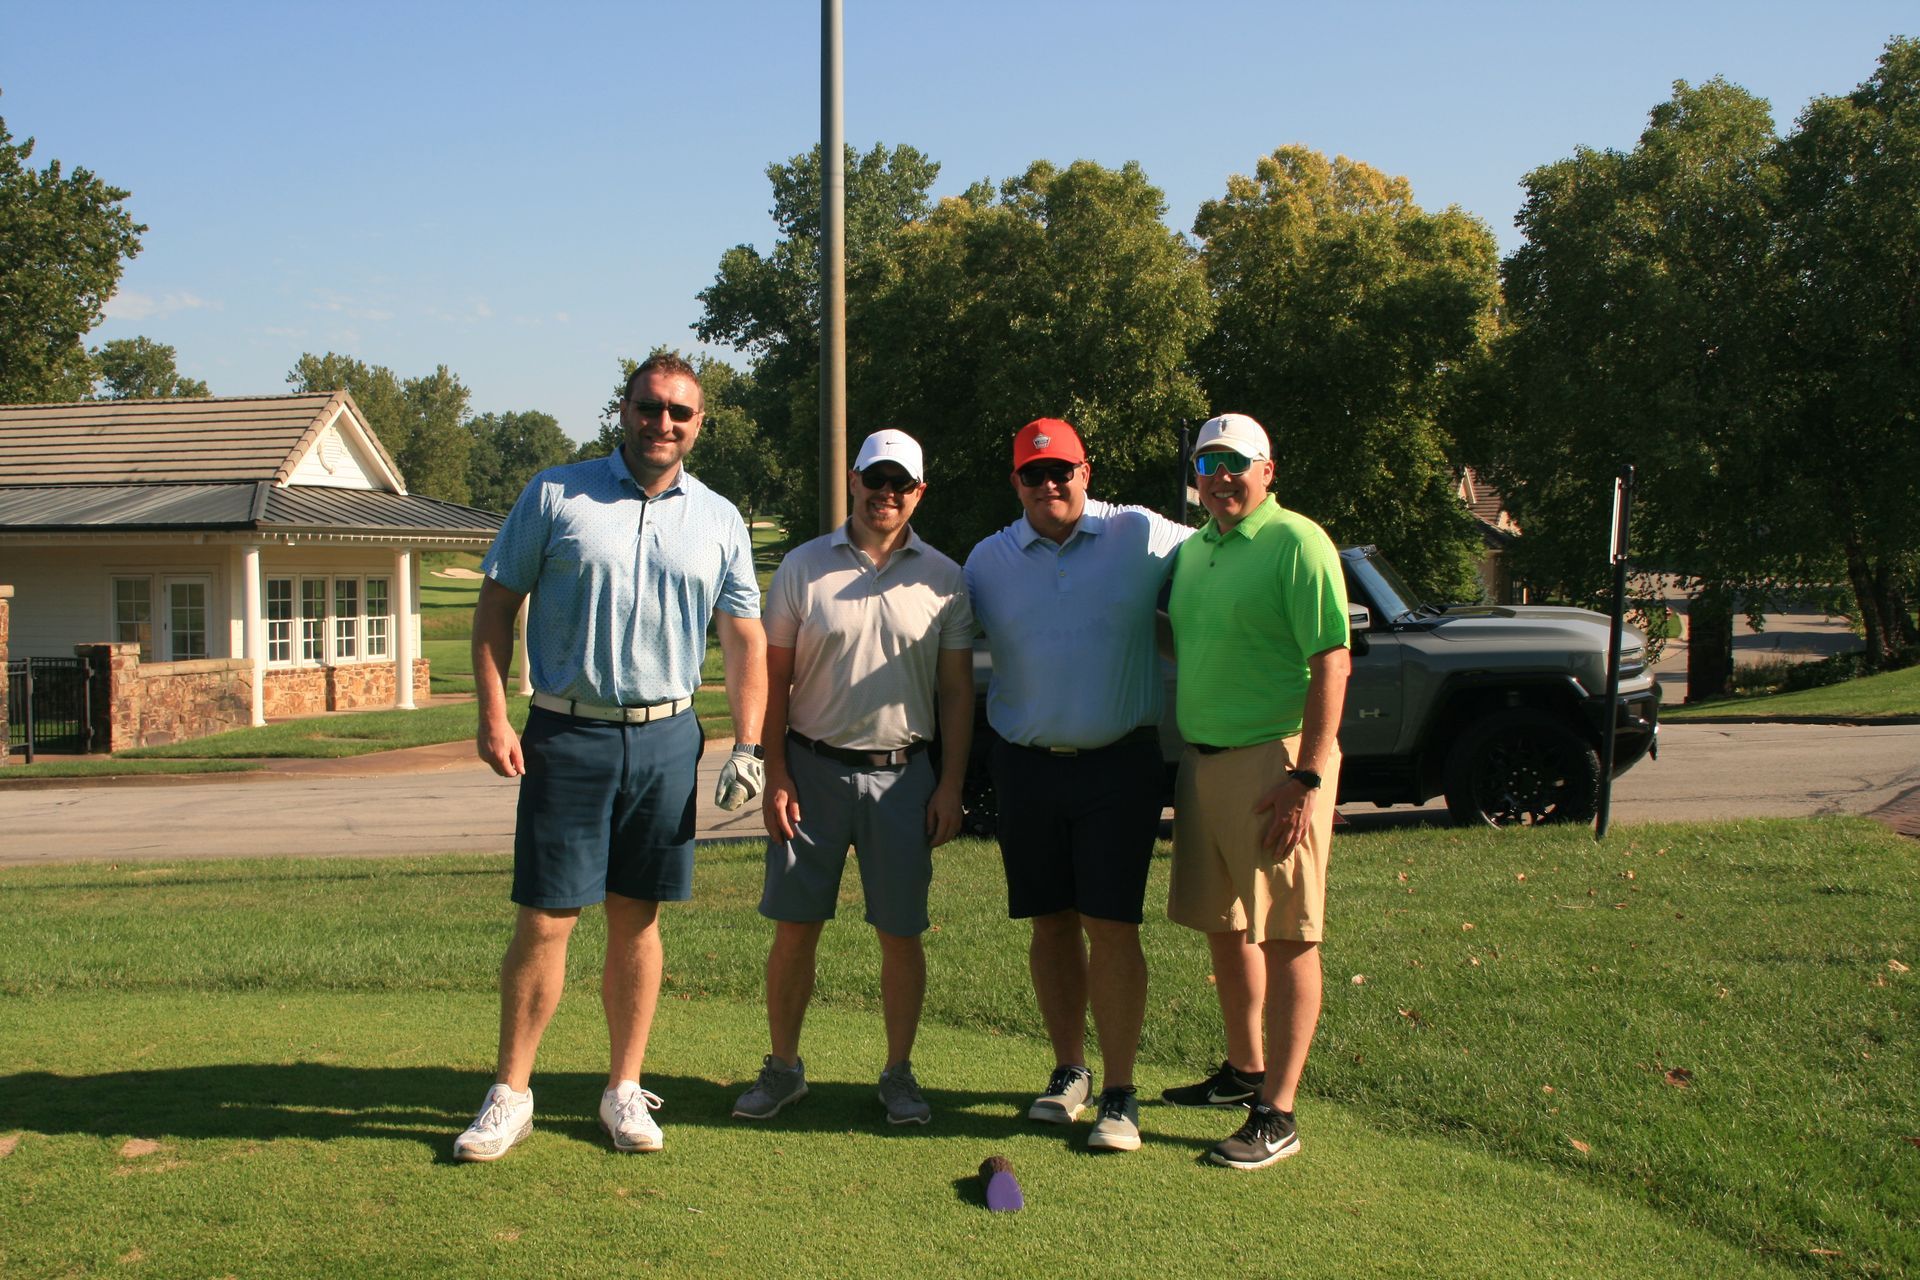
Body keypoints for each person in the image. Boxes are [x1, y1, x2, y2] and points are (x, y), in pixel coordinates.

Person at [454, 352, 768, 1161]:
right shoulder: (557, 492)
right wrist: (493, 715)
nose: (662, 423)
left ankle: (624, 1089)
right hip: (568, 732)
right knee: (548, 917)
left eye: (680, 413)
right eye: (649, 407)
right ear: (623, 411)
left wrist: (751, 741)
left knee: (639, 917)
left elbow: (742, 637)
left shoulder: (721, 519)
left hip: (668, 737)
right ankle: (511, 1092)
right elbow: (494, 610)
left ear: (699, 425)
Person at [731, 429, 976, 1127]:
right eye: (876, 480)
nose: (886, 495)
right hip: (811, 770)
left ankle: (898, 1074)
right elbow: (774, 682)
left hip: (905, 777)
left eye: (901, 484)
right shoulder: (804, 568)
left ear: (919, 493)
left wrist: (951, 784)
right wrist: (775, 772)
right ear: (853, 480)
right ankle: (783, 1069)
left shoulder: (945, 577)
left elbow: (956, 692)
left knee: (901, 933)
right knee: (795, 927)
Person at [963, 417, 1190, 1153]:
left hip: (1118, 763)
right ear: (1017, 483)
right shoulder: (987, 562)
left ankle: (1120, 1093)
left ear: (1086, 471)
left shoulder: (1139, 534)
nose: (1050, 484)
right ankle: (1070, 1071)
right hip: (1026, 765)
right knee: (1051, 921)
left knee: (1113, 925)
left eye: (1063, 470)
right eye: (1035, 474)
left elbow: (1225, 556)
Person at [1161, 412, 1350, 1170]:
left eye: (1238, 463)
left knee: (1288, 934)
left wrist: (1306, 774)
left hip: (1276, 762)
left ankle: (1279, 1110)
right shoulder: (1197, 549)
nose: (1223, 476)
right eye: (1210, 463)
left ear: (1268, 469)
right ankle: (1243, 1071)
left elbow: (1332, 662)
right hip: (1203, 760)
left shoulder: (1296, 541)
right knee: (1225, 922)